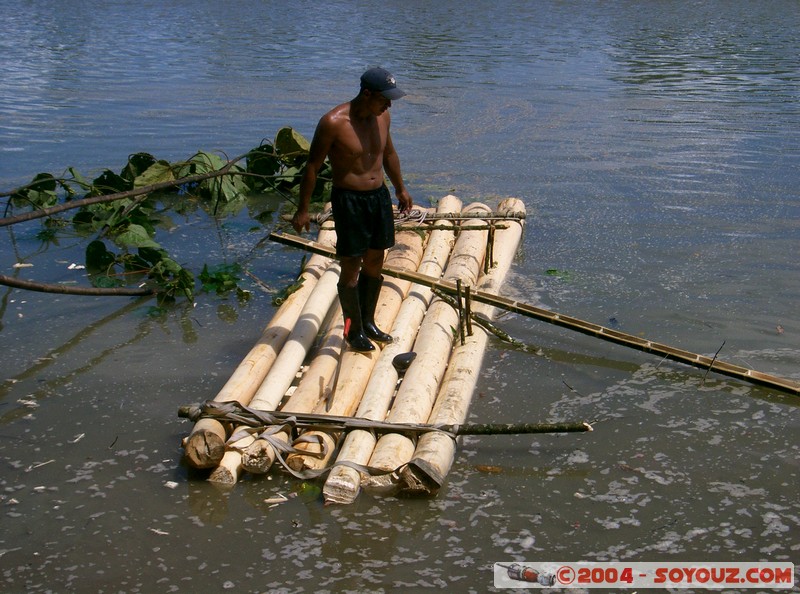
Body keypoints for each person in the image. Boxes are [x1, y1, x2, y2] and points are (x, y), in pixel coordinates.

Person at [292, 67, 413, 352]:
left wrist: (400, 188)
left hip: (378, 198)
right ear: (367, 93)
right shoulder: (333, 122)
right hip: (349, 200)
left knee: (375, 259)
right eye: (385, 98)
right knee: (351, 265)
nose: (389, 104)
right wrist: (303, 210)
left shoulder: (383, 117)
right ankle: (352, 329)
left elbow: (389, 154)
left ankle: (368, 322)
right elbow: (312, 167)